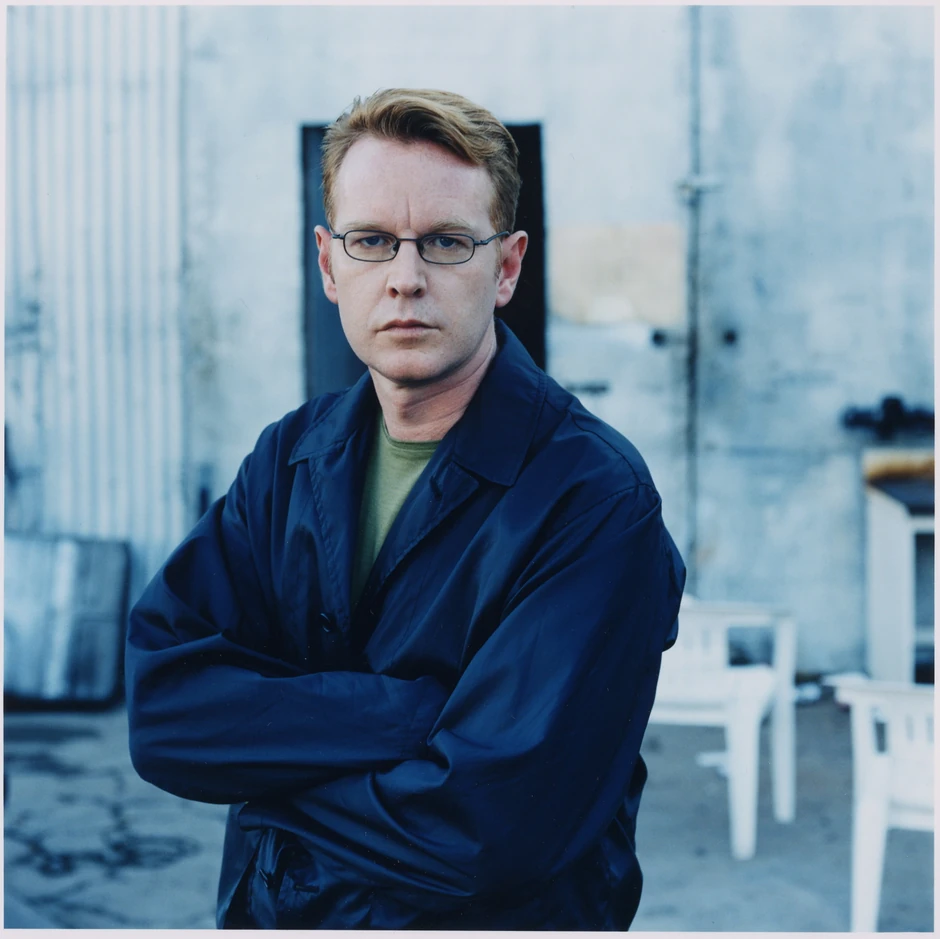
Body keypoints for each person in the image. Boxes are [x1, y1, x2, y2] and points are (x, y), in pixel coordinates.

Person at [125, 88, 685, 930]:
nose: (406, 277)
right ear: (328, 264)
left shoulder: (594, 500)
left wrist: (270, 784)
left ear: (506, 268)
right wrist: (417, 713)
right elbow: (165, 713)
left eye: (448, 242)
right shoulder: (289, 458)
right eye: (372, 240)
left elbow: (487, 831)